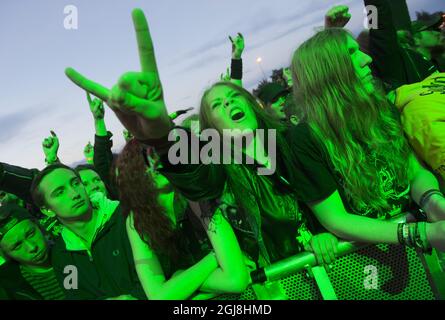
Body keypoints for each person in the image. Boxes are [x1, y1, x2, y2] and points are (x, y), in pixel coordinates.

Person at [64, 8, 339, 268]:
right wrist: (163, 139)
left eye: (234, 98)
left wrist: (324, 230)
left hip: (336, 263)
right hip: (278, 283)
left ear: (252, 105)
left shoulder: (293, 142)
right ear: (211, 128)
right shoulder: (221, 168)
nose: (230, 104)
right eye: (218, 106)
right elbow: (197, 179)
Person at [289, 28, 445, 252]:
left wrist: (433, 202)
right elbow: (335, 218)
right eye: (352, 53)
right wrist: (418, 233)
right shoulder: (306, 137)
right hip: (370, 259)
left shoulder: (380, 106)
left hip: (423, 243)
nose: (367, 58)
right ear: (329, 71)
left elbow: (415, 170)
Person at [116, 139, 249, 299]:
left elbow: (236, 280)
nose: (156, 161)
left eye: (159, 154)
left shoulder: (196, 194)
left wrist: (179, 280)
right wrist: (215, 258)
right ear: (134, 174)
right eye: (145, 159)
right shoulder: (135, 219)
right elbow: (158, 296)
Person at [30, 163, 145, 299]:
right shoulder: (62, 255)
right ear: (47, 210)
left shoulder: (128, 218)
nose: (74, 194)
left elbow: (162, 269)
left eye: (75, 183)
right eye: (60, 192)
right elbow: (75, 294)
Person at [0, 204, 65, 300]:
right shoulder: (6, 287)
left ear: (39, 226)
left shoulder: (74, 250)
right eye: (17, 246)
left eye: (31, 234)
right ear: (5, 254)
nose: (32, 247)